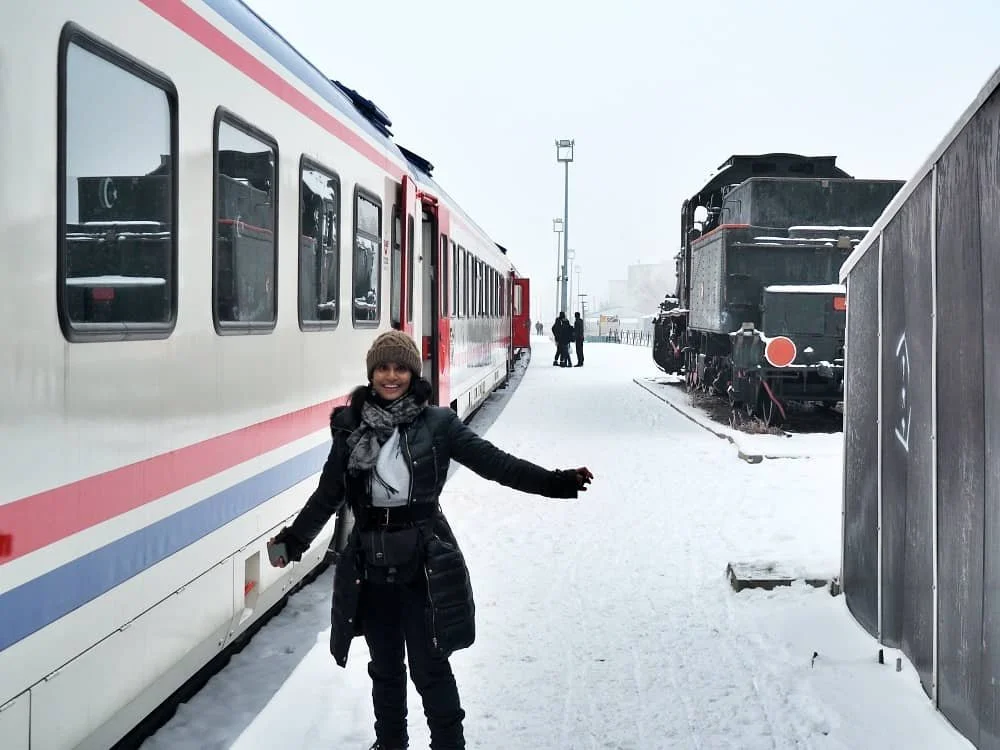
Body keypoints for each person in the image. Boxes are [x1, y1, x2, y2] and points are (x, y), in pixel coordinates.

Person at [268, 330, 594, 750]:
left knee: (430, 668)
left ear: (412, 373)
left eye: (400, 368)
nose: (391, 376)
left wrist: (555, 482)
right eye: (382, 368)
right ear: (371, 374)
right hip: (371, 565)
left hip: (422, 563)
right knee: (384, 670)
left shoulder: (437, 425)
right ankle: (390, 744)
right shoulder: (351, 430)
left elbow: (496, 464)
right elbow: (327, 495)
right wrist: (292, 543)